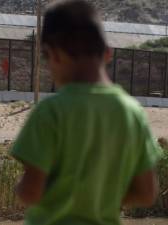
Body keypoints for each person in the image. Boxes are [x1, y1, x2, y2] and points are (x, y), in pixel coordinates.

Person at [10, 1, 162, 225]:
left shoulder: (51, 112)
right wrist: (102, 195)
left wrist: (19, 189)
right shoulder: (133, 113)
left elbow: (31, 192)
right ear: (108, 53)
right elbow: (147, 193)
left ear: (54, 55)